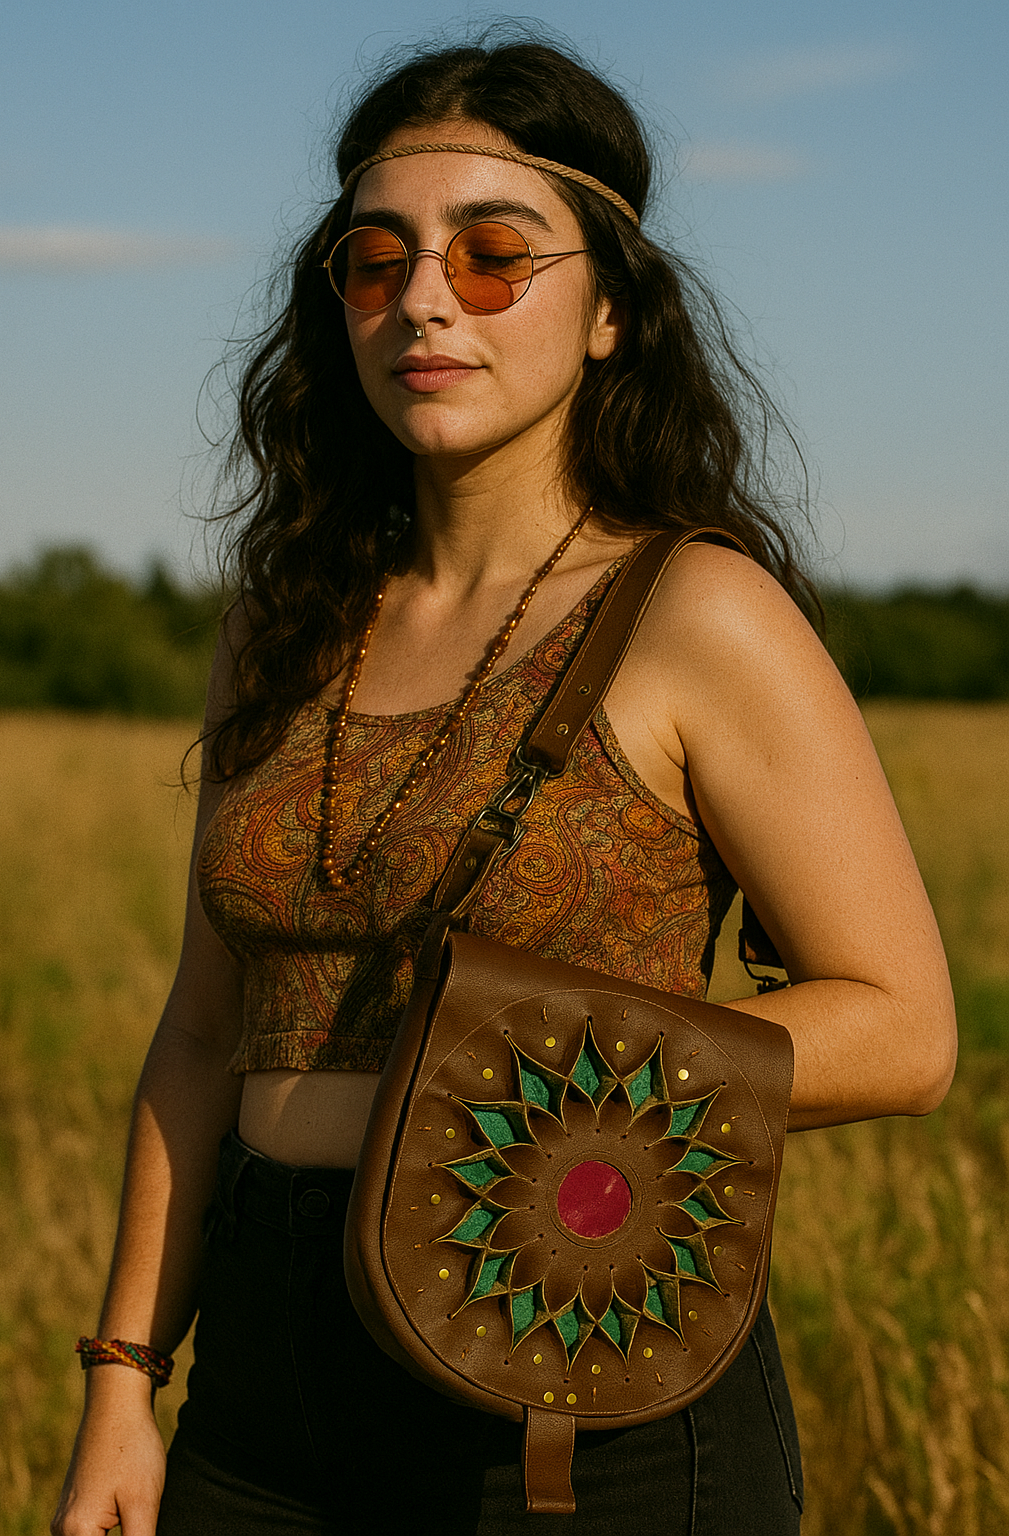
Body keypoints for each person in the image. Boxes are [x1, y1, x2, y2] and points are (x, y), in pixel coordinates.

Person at [52, 35, 956, 1536]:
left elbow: (905, 1029)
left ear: (610, 313)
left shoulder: (695, 612)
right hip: (262, 1390)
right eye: (377, 260)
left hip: (569, 1364)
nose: (423, 299)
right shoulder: (283, 627)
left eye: (492, 258)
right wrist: (121, 1383)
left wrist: (523, 1086)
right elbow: (205, 1031)